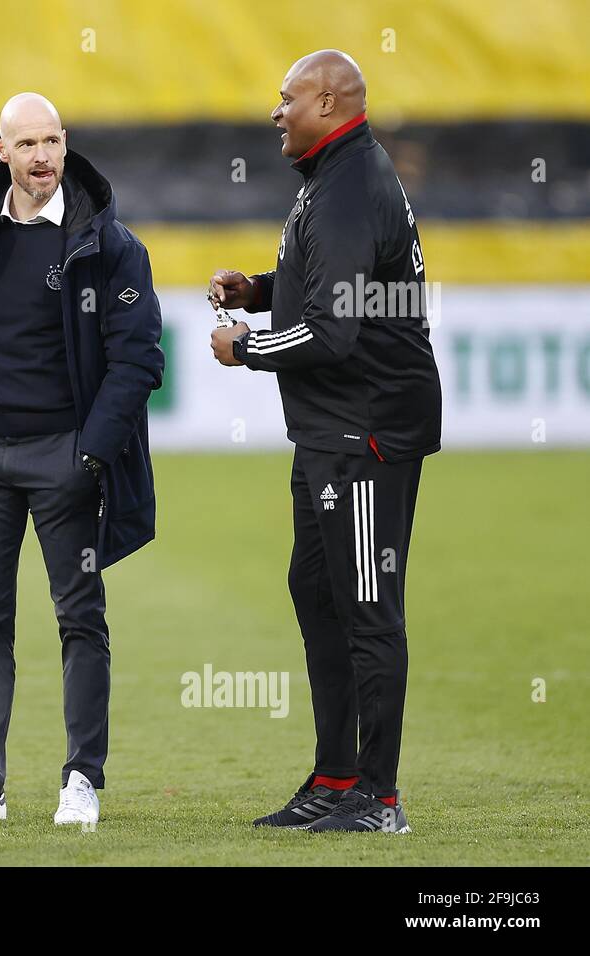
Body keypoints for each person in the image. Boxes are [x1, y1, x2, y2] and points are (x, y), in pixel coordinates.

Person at [0, 93, 163, 826]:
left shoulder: (112, 244)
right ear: (2, 151)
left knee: (80, 618)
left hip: (67, 460)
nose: (42, 156)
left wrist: (89, 453)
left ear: (65, 144)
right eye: (27, 144)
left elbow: (140, 359)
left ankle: (81, 781)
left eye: (52, 140)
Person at [209, 50, 442, 833]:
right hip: (330, 434)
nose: (275, 112)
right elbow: (337, 286)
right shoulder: (336, 177)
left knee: (368, 608)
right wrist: (264, 290)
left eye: (287, 99)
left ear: (331, 103)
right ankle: (337, 776)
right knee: (319, 593)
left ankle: (380, 799)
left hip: (368, 432)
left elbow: (334, 334)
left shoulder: (347, 186)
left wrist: (244, 346)